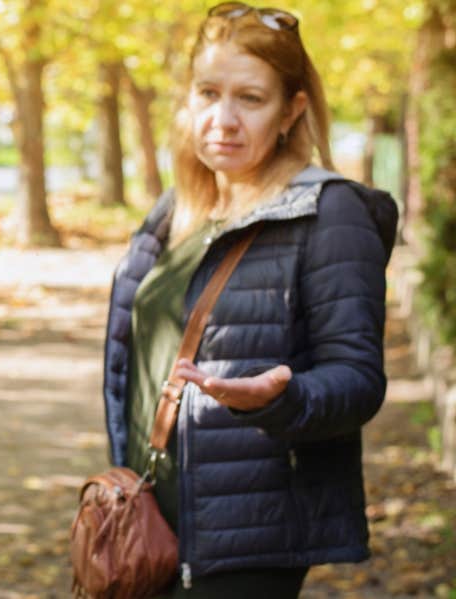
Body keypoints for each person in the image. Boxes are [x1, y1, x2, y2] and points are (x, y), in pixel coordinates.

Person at [101, 3, 399, 597]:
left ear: (293, 111)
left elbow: (359, 377)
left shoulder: (329, 211)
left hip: (246, 541)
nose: (223, 119)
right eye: (208, 93)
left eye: (251, 99)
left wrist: (282, 399)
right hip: (147, 518)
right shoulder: (178, 210)